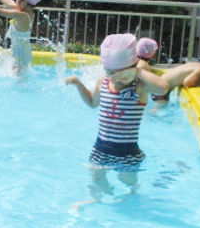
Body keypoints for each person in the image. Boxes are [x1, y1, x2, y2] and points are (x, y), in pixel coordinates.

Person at [65, 33, 168, 203]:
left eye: (120, 73)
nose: (114, 77)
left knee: (128, 183)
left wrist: (138, 71)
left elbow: (162, 88)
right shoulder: (103, 82)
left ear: (133, 67)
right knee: (96, 180)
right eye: (110, 72)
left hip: (127, 152)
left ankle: (130, 200)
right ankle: (95, 201)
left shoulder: (139, 87)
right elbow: (92, 102)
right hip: (100, 149)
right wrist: (78, 84)